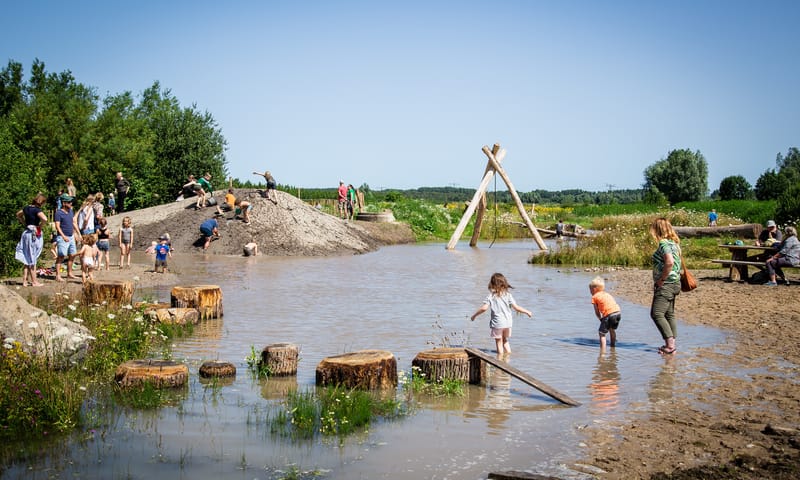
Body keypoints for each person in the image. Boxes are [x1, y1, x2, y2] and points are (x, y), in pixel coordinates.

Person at [470, 272, 533, 355]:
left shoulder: (491, 296)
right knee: (505, 340)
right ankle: (508, 357)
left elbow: (484, 308)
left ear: (492, 284)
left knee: (499, 342)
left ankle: (500, 360)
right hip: (508, 323)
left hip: (498, 323)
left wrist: (474, 316)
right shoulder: (508, 295)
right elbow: (516, 308)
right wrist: (527, 311)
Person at [649, 217, 682, 355]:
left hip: (667, 283)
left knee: (656, 313)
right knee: (669, 314)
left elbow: (669, 262)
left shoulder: (663, 243)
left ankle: (669, 345)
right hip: (675, 283)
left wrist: (661, 280)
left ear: (658, 230)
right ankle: (672, 345)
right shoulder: (675, 243)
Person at [14, 193, 48, 287]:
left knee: (27, 257)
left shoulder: (26, 208)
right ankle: (34, 281)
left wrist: (24, 223)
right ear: (41, 202)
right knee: (33, 257)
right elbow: (45, 219)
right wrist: (40, 227)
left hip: (26, 233)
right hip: (33, 234)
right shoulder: (37, 210)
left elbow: (18, 214)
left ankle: (25, 281)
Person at [589, 276, 622, 350]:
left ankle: (602, 352)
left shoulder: (594, 297)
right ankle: (613, 346)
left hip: (609, 314)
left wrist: (600, 318)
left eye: (590, 289)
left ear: (594, 289)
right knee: (611, 329)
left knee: (601, 333)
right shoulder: (606, 294)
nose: (590, 292)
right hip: (618, 312)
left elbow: (597, 311)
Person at [53, 194, 78, 282]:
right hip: (62, 237)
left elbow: (73, 223)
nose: (71, 203)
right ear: (64, 203)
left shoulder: (71, 211)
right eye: (69, 202)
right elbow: (57, 226)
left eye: (71, 202)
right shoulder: (58, 213)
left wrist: (77, 233)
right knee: (61, 256)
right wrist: (63, 236)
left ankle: (69, 273)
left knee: (72, 254)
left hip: (71, 236)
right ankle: (58, 275)